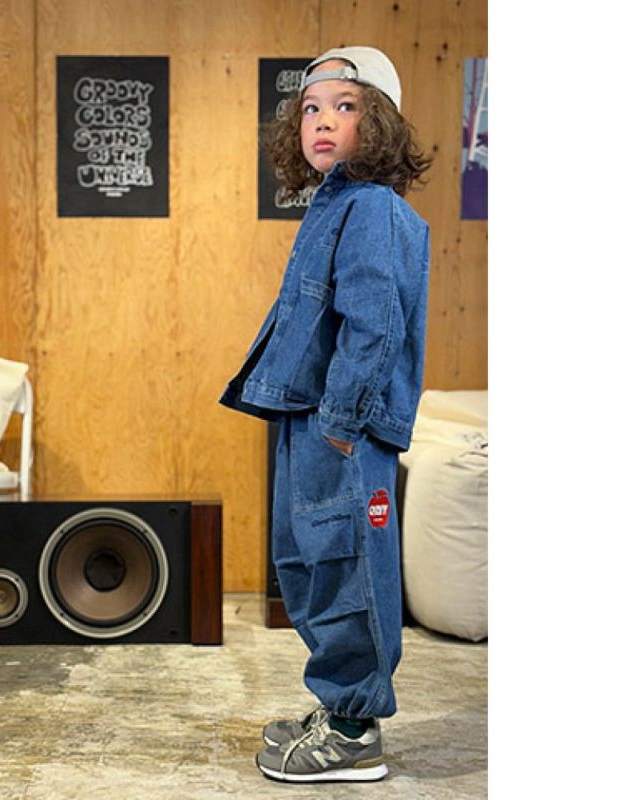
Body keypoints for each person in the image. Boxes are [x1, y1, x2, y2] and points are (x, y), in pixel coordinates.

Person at [219, 46, 433, 782]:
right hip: (310, 416)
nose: (322, 121)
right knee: (307, 563)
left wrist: (340, 424)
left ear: (380, 122)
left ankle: (353, 733)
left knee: (346, 565)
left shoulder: (372, 208)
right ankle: (339, 704)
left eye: (345, 107)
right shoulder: (335, 203)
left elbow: (375, 325)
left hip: (342, 425)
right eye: (311, 108)